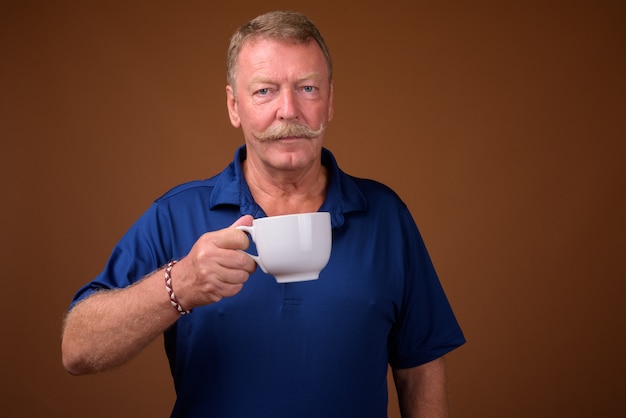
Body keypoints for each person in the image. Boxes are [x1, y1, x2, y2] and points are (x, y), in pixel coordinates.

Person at [61, 10, 465, 418]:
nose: (288, 110)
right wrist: (180, 284)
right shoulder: (175, 214)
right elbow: (78, 348)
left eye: (307, 88)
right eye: (264, 91)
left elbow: (420, 369)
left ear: (328, 103)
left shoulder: (386, 216)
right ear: (234, 106)